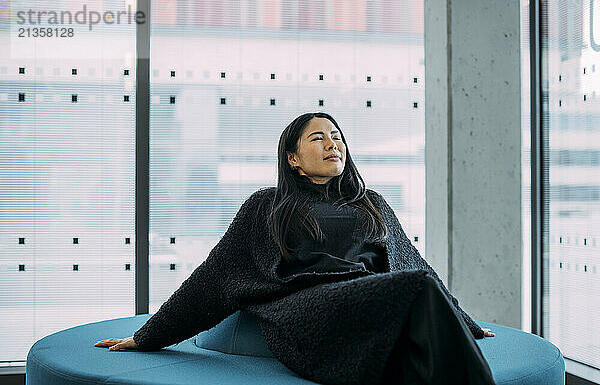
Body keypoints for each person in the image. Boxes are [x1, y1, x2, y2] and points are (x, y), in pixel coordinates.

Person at [95, 112, 496, 384]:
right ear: (293, 158)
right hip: (307, 307)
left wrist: (462, 319)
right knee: (419, 287)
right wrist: (148, 337)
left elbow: (412, 262)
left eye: (337, 138)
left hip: (369, 299)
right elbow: (214, 276)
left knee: (420, 285)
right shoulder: (267, 205)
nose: (332, 144)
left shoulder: (370, 202)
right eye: (318, 138)